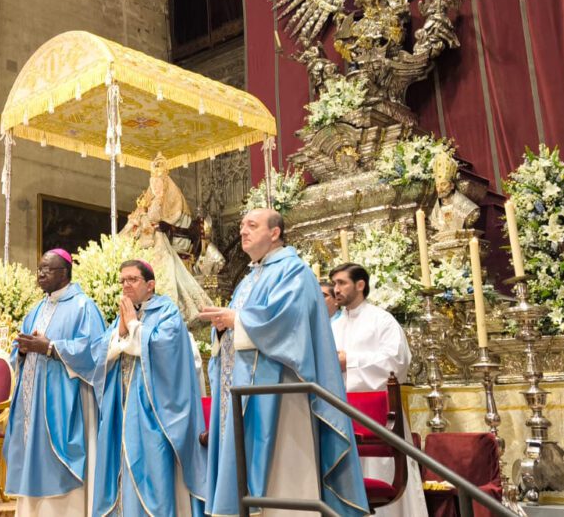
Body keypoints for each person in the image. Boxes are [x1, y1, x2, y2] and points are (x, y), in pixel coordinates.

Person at [197, 208, 367, 517]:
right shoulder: (250, 277)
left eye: (252, 225)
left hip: (281, 393)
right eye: (241, 226)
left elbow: (288, 324)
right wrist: (222, 327)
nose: (243, 232)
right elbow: (244, 323)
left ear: (274, 233)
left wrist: (236, 319)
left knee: (281, 476)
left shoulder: (293, 271)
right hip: (245, 389)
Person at [94, 260, 207, 516]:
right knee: (122, 467)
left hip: (155, 412)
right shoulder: (123, 313)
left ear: (150, 285)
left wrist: (133, 327)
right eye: (122, 280)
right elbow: (103, 352)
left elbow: (165, 350)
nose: (125, 285)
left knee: (153, 469)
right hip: (123, 409)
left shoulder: (167, 310)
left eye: (132, 279)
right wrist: (120, 333)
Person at [4, 248, 105, 516]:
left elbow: (94, 351)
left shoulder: (84, 306)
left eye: (47, 269)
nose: (40, 274)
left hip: (64, 399)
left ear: (65, 273)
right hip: (33, 399)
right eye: (39, 268)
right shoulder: (36, 308)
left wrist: (51, 347)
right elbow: (21, 348)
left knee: (58, 460)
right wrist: (23, 350)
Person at [331, 263, 426, 517]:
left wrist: (349, 361)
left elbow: (396, 362)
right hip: (342, 413)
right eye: (334, 284)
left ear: (360, 285)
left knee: (381, 475)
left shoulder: (381, 320)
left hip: (380, 416)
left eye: (342, 283)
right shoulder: (333, 326)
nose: (336, 289)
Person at [120, 153, 213, 323]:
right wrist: (139, 219)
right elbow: (141, 218)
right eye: (152, 182)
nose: (155, 186)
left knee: (164, 264)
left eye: (158, 182)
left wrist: (158, 222)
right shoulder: (147, 201)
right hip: (146, 241)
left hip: (163, 240)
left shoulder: (172, 200)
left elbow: (175, 223)